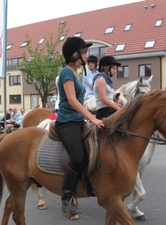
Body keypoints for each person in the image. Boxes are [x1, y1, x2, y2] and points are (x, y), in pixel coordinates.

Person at [56, 37, 104, 215]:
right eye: (84, 52)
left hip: (77, 120)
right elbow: (71, 100)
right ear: (75, 54)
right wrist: (92, 118)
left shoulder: (78, 73)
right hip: (67, 121)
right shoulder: (66, 72)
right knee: (77, 158)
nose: (87, 55)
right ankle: (66, 198)